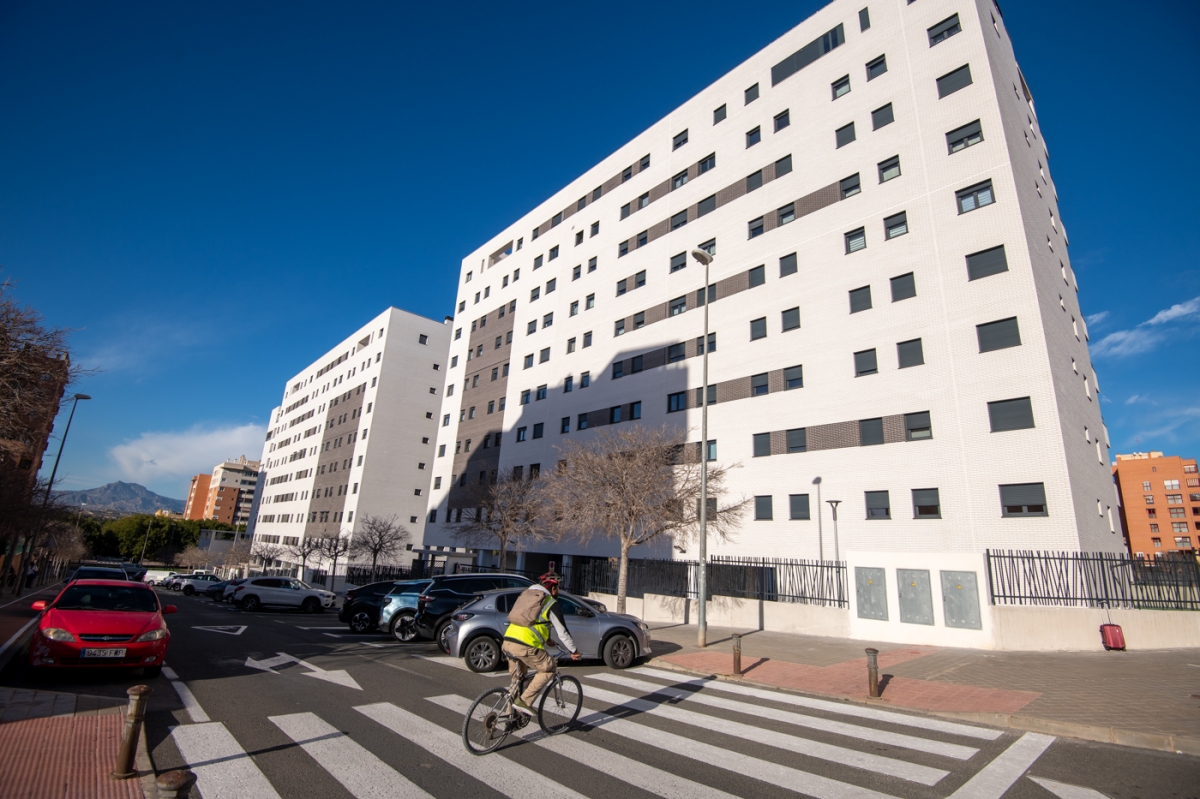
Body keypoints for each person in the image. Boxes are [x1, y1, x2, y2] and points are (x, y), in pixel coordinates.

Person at [501, 573, 581, 716]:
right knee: (549, 668)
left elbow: (534, 621)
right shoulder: (550, 602)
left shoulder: (527, 596)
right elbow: (563, 632)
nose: (558, 591)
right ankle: (524, 702)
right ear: (553, 588)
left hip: (508, 641)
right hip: (525, 645)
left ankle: (508, 715)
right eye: (558, 588)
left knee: (518, 679)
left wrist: (548, 639)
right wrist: (573, 650)